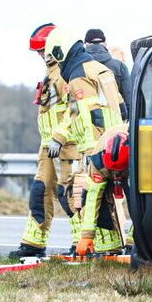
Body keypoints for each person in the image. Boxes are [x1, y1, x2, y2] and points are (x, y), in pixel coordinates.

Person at [44, 28, 126, 257]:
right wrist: (59, 137)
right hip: (117, 140)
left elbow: (84, 112)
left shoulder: (79, 74)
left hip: (96, 144)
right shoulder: (100, 69)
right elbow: (120, 105)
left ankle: (103, 246)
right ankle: (123, 241)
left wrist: (92, 148)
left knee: (90, 195)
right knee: (116, 194)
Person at [10, 23, 81, 258]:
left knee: (69, 195)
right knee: (39, 193)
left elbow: (75, 109)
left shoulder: (65, 73)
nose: (41, 55)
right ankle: (33, 243)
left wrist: (60, 137)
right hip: (48, 146)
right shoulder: (52, 72)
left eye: (43, 50)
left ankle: (81, 243)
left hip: (67, 146)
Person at [83, 28, 130, 120]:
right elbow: (129, 100)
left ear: (86, 44)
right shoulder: (120, 67)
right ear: (105, 44)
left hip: (90, 126)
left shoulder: (79, 68)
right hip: (116, 125)